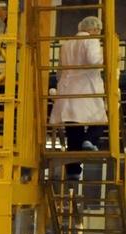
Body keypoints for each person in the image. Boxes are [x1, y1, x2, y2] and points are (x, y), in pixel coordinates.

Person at [50, 16, 108, 179]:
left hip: (68, 91)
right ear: (94, 29)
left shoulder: (67, 45)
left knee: (72, 130)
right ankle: (90, 140)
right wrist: (108, 59)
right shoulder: (91, 41)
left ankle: (73, 171)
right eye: (98, 31)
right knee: (99, 118)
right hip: (86, 89)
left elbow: (60, 71)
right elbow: (94, 60)